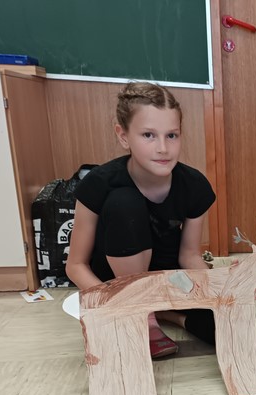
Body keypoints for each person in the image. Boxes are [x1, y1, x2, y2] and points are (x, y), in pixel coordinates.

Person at [66, 81, 216, 357]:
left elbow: (189, 256)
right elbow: (75, 265)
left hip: (165, 282)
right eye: (148, 135)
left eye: (172, 136)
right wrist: (114, 301)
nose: (163, 148)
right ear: (123, 136)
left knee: (223, 325)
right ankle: (144, 316)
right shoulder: (99, 184)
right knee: (125, 203)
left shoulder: (194, 185)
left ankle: (165, 313)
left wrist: (221, 287)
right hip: (117, 285)